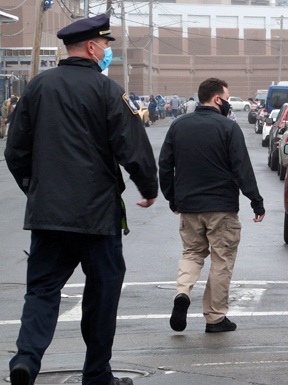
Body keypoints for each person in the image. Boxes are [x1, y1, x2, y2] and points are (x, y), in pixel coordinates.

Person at [4, 14, 158, 385]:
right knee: (102, 292)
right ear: (91, 47)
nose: (107, 52)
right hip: (98, 216)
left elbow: (15, 151)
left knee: (42, 290)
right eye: (105, 46)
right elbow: (132, 146)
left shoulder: (37, 87)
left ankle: (26, 360)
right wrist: (148, 187)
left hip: (48, 214)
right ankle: (97, 373)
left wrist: (35, 188)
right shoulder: (107, 91)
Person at [159, 78, 265, 334]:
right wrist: (256, 201)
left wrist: (172, 198)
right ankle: (215, 317)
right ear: (218, 99)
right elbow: (242, 168)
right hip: (222, 208)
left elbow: (165, 165)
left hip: (189, 207)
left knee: (192, 254)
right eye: (227, 97)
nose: (229, 102)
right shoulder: (228, 127)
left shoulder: (178, 125)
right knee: (221, 260)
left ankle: (182, 293)